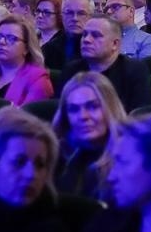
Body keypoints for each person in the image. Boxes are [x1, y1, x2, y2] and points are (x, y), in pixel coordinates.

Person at [51, 71, 126, 199]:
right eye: (74, 109)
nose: (83, 116)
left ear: (111, 108)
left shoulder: (128, 158)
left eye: (93, 107)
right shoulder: (59, 157)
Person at [63, 15, 151, 113]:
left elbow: (141, 114)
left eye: (96, 35)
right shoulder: (71, 70)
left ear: (115, 44)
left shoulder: (134, 70)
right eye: (85, 34)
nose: (87, 40)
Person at [0, 12, 53, 105]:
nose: (2, 42)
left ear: (26, 48)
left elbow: (26, 117)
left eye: (11, 38)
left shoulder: (38, 80)